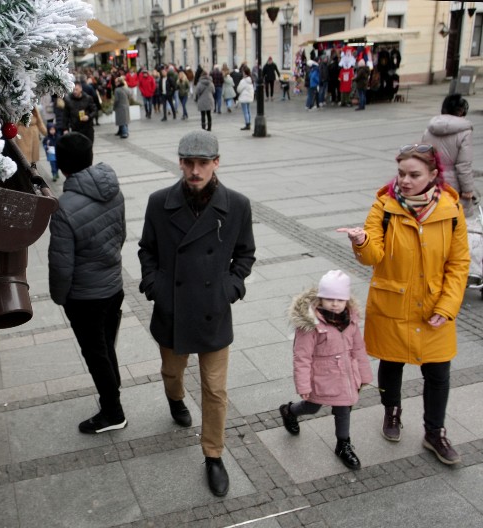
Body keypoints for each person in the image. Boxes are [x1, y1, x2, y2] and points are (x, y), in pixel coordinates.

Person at [138, 130, 256, 497]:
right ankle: (175, 399)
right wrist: (155, 286)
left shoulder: (237, 205)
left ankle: (213, 454)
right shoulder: (160, 203)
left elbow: (245, 254)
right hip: (172, 311)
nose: (194, 170)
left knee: (215, 390)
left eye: (202, 163)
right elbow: (147, 251)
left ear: (216, 163)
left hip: (213, 313)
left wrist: (230, 288)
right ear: (180, 162)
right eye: (188, 162)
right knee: (172, 372)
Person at [337, 144, 469, 465]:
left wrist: (447, 306)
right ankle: (391, 412)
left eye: (414, 174)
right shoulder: (384, 207)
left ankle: (434, 433)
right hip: (393, 303)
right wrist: (361, 242)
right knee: (392, 363)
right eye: (401, 173)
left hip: (435, 308)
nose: (405, 181)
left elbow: (459, 264)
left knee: (438, 373)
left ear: (433, 175)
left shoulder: (451, 210)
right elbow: (373, 256)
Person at [48, 132, 127, 434]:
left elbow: (61, 265)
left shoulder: (64, 208)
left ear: (64, 166)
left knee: (95, 352)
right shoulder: (113, 190)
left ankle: (113, 411)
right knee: (105, 344)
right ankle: (113, 387)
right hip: (113, 285)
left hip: (85, 296)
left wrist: (59, 297)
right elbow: (120, 235)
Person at [279, 270, 373, 470]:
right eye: (329, 298)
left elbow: (358, 348)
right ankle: (290, 411)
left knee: (344, 408)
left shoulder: (351, 320)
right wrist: (304, 384)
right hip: (321, 377)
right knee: (312, 407)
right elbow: (302, 356)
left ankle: (343, 444)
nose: (335, 304)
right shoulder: (311, 325)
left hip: (345, 377)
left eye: (340, 299)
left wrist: (364, 374)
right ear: (321, 299)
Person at [421, 94, 475, 216]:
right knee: (455, 219)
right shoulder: (465, 132)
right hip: (453, 184)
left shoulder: (430, 129)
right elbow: (464, 164)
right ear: (461, 111)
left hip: (431, 180)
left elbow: (422, 156)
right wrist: (467, 189)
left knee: (432, 216)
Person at [237, 65, 254, 131]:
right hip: (249, 97)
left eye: (243, 72)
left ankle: (247, 124)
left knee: (245, 111)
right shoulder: (250, 80)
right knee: (248, 110)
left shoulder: (243, 81)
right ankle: (249, 122)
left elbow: (239, 89)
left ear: (244, 73)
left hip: (244, 98)